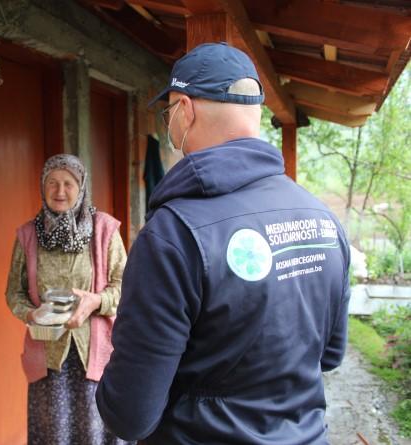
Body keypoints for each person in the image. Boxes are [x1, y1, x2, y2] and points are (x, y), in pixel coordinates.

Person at [96, 42, 351, 444]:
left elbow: (130, 415)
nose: (170, 123)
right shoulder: (323, 219)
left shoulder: (173, 235)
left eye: (169, 113)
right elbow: (330, 355)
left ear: (185, 108)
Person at [6, 154, 132, 445]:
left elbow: (125, 286)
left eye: (68, 184)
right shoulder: (28, 235)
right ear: (42, 187)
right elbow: (14, 292)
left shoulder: (103, 230)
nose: (59, 191)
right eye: (52, 183)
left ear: (82, 187)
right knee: (55, 433)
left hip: (97, 357)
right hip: (48, 359)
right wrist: (31, 315)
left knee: (97, 430)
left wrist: (96, 301)